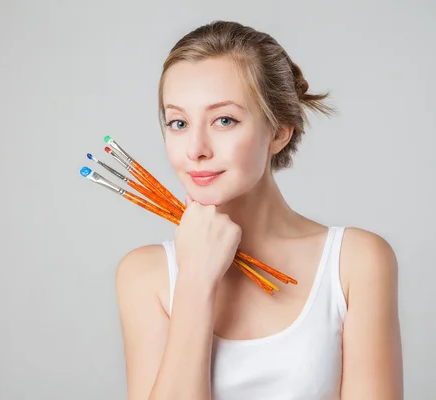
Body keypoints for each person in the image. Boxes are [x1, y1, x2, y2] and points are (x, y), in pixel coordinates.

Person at [115, 20, 403, 400]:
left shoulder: (355, 263)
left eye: (224, 120)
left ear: (280, 130)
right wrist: (195, 281)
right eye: (179, 122)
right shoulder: (145, 276)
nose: (196, 148)